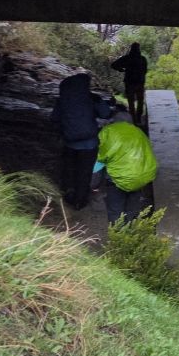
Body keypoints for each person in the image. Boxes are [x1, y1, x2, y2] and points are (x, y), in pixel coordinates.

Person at [51, 73, 112, 210]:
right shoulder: (91, 98)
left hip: (69, 143)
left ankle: (69, 195)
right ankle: (80, 200)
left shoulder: (63, 100)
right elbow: (106, 114)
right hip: (89, 144)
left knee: (70, 170)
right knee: (84, 172)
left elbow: (54, 118)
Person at [96, 111, 158, 224]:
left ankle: (118, 236)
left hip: (117, 179)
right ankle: (130, 231)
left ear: (114, 120)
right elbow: (148, 153)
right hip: (139, 177)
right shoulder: (139, 132)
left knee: (115, 210)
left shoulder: (108, 131)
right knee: (132, 209)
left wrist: (94, 181)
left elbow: (100, 156)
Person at [111, 42, 148, 125]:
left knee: (131, 102)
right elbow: (145, 71)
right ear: (139, 49)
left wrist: (121, 69)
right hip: (139, 83)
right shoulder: (142, 59)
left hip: (130, 83)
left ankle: (134, 119)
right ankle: (138, 118)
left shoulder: (126, 58)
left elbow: (113, 65)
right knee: (140, 101)